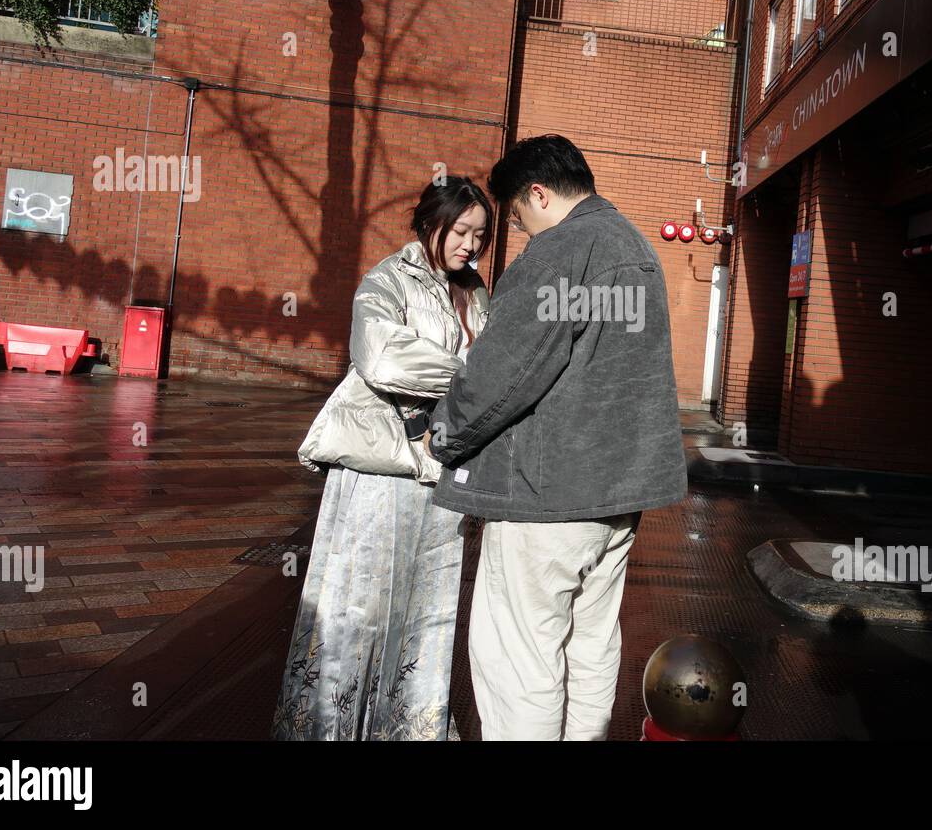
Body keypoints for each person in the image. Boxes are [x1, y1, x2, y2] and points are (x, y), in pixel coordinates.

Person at [428, 134, 687, 740]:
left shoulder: (558, 253)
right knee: (590, 644)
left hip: (546, 496)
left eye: (518, 218)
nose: (521, 233)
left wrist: (441, 435)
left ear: (538, 193)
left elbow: (503, 376)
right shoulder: (637, 249)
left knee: (521, 656)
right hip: (617, 497)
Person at [272, 176, 492, 741]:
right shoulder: (389, 279)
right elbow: (382, 356)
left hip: (443, 473)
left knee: (428, 609)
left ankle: (407, 729)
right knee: (356, 606)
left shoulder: (477, 291)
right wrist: (472, 380)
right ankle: (326, 729)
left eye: (480, 235)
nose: (470, 244)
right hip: (381, 471)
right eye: (461, 230)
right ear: (429, 222)